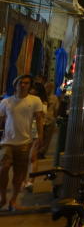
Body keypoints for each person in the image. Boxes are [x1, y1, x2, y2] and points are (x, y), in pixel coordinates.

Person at [0, 75, 45, 212]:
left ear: (30, 85)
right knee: (3, 169)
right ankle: (2, 197)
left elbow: (39, 120)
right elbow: (1, 120)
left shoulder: (35, 100)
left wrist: (40, 137)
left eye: (26, 83)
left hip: (25, 142)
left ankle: (13, 200)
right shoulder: (6, 102)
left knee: (19, 174)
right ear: (16, 84)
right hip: (7, 141)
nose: (23, 85)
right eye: (21, 82)